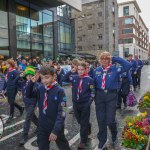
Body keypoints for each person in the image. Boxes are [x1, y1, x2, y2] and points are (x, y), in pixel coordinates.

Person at [26, 65, 71, 150]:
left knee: (63, 146)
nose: (44, 81)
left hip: (55, 126)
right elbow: (29, 95)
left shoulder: (60, 91)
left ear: (54, 76)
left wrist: (56, 130)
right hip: (42, 125)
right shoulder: (41, 88)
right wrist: (31, 83)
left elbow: (63, 111)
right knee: (42, 146)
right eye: (42, 78)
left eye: (47, 77)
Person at [94, 52, 131, 150]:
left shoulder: (115, 68)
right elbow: (92, 83)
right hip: (100, 96)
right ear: (100, 60)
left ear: (109, 60)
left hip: (111, 96)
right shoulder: (97, 70)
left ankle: (114, 132)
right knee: (101, 119)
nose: (104, 61)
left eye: (107, 59)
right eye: (103, 59)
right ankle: (102, 140)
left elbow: (128, 65)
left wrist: (115, 58)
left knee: (110, 120)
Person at [63, 62, 95, 149]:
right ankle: (88, 125)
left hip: (85, 104)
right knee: (80, 121)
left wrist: (89, 103)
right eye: (79, 69)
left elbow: (92, 92)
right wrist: (70, 71)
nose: (80, 71)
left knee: (83, 124)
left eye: (82, 70)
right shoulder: (74, 78)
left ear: (85, 70)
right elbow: (64, 79)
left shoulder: (89, 80)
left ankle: (83, 141)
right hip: (76, 104)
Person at [19, 66, 39, 145]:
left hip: (32, 103)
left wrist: (37, 105)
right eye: (27, 75)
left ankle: (24, 136)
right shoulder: (23, 83)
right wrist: (19, 76)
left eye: (31, 75)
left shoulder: (36, 84)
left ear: (33, 76)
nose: (29, 77)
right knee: (32, 117)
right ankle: (40, 125)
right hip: (26, 103)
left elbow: (37, 96)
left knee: (27, 118)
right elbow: (15, 82)